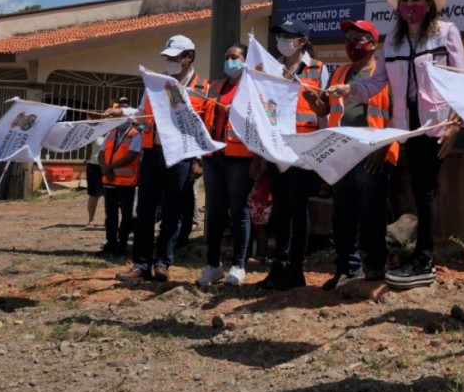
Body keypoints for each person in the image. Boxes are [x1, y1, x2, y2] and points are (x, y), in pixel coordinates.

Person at [328, 0, 464, 290]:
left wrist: (456, 124)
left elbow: (461, 80)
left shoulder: (446, 32)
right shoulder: (394, 40)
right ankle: (420, 257)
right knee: (419, 186)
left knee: (426, 187)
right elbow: (378, 82)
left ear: (429, 4)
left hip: (438, 122)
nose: (409, 5)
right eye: (404, 0)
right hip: (407, 125)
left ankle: (425, 259)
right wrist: (349, 90)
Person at [306, 20, 399, 290]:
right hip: (342, 154)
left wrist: (383, 149)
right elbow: (327, 111)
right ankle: (347, 267)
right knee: (343, 214)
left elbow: (396, 115)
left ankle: (374, 268)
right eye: (348, 39)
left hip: (372, 154)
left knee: (371, 213)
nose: (352, 45)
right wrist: (316, 104)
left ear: (373, 44)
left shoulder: (383, 76)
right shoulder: (339, 74)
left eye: (358, 39)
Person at [114, 35, 208, 282]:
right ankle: (142, 264)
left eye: (175, 57)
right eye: (167, 57)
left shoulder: (203, 89)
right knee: (145, 210)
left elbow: (201, 128)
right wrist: (122, 112)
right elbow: (142, 114)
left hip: (181, 157)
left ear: (189, 57)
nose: (170, 62)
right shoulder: (155, 84)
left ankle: (163, 263)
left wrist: (197, 160)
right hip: (153, 153)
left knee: (173, 211)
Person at [257, 19, 329, 291]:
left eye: (290, 35)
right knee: (281, 208)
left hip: (303, 148)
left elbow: (325, 112)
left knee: (298, 209)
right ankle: (279, 265)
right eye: (280, 34)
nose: (284, 40)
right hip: (277, 148)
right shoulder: (273, 68)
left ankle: (296, 268)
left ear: (302, 40)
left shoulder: (318, 69)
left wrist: (320, 154)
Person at [196, 43, 263, 287]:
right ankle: (213, 265)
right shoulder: (215, 86)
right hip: (214, 157)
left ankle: (239, 264)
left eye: (234, 57)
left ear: (246, 60)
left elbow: (262, 123)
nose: (229, 61)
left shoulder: (253, 88)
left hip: (240, 157)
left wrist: (258, 156)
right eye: (226, 56)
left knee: (239, 211)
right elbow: (202, 117)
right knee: (214, 212)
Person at [98, 117, 141, 256]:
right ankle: (111, 243)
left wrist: (109, 168)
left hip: (126, 182)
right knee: (110, 215)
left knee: (127, 215)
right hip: (109, 181)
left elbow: (131, 156)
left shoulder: (136, 135)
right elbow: (101, 154)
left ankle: (122, 243)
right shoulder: (111, 133)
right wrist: (105, 169)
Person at [83, 128, 105, 230]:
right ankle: (91, 219)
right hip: (94, 166)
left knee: (109, 196)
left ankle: (108, 219)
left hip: (109, 166)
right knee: (94, 195)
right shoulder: (96, 133)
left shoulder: (115, 133)